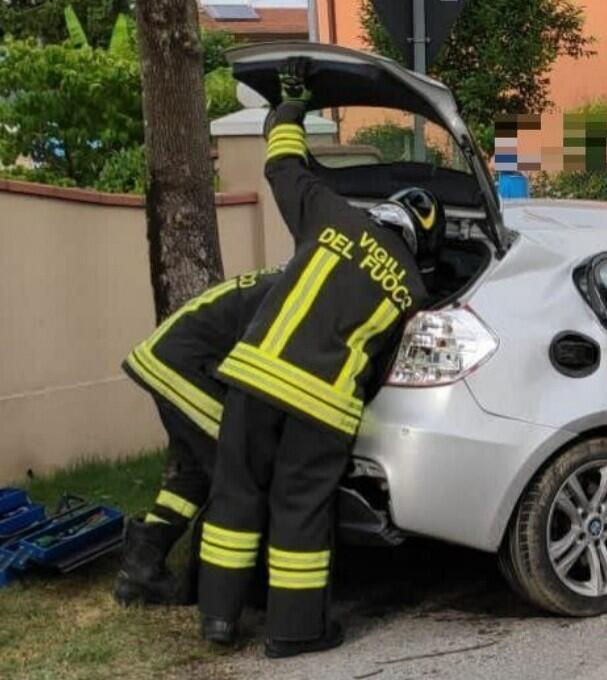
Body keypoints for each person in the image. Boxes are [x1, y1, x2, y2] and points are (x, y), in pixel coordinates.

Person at [197, 58, 445, 659]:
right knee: (300, 509)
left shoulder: (331, 214)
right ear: (419, 240)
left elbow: (283, 164)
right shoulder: (413, 288)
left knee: (235, 492)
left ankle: (219, 619)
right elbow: (387, 363)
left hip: (255, 377)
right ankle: (295, 632)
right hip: (323, 404)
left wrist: (292, 106)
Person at [114, 266, 281, 606]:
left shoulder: (277, 281)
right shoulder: (291, 294)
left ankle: (139, 572)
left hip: (164, 360)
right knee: (238, 467)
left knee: (191, 475)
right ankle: (223, 580)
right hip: (180, 366)